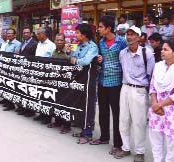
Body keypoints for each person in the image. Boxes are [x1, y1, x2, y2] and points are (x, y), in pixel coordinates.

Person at [114, 26, 155, 162]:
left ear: (139, 37)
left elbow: (151, 74)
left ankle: (140, 152)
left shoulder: (147, 53)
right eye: (128, 35)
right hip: (125, 88)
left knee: (139, 122)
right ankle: (125, 148)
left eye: (133, 35)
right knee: (123, 120)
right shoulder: (122, 53)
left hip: (139, 90)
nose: (129, 37)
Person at [93, 15, 127, 155]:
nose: (99, 29)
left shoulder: (121, 42)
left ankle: (118, 143)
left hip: (116, 82)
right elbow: (99, 59)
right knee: (103, 111)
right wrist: (99, 60)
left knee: (117, 113)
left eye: (101, 27)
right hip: (102, 81)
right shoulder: (100, 42)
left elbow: (126, 60)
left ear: (108, 28)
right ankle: (104, 137)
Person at [148, 39, 174, 162]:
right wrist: (154, 104)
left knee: (172, 142)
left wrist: (160, 105)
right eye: (162, 49)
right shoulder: (158, 66)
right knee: (155, 138)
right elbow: (152, 86)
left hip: (172, 110)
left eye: (166, 49)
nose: (162, 51)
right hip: (156, 108)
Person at [66, 23, 98, 145]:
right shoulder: (79, 45)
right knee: (80, 104)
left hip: (89, 80)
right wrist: (69, 53)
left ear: (84, 35)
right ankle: (83, 129)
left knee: (88, 106)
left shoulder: (92, 47)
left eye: (78, 33)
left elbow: (85, 61)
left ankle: (88, 133)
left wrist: (75, 60)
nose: (76, 35)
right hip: (79, 80)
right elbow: (73, 57)